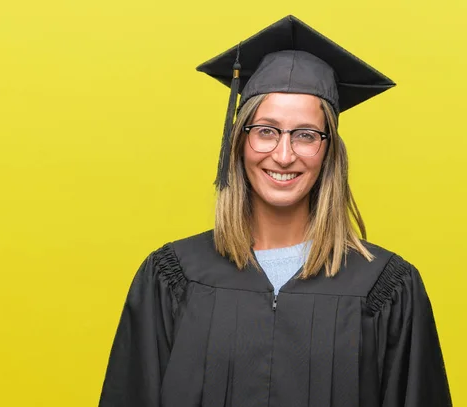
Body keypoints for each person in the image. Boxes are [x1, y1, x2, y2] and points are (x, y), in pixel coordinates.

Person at [98, 15, 452, 407]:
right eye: (266, 130)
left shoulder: (386, 289)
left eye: (305, 135)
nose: (283, 156)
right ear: (239, 142)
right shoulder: (172, 279)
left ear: (329, 151)